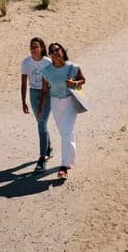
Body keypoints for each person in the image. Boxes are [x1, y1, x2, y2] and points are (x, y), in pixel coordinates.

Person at [38, 42, 86, 180]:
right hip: (55, 103)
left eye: (57, 50)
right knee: (65, 133)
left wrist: (76, 83)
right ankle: (70, 159)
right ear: (50, 55)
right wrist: (41, 106)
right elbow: (44, 90)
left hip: (70, 102)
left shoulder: (73, 67)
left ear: (62, 51)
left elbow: (83, 80)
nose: (55, 53)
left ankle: (63, 167)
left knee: (66, 132)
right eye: (52, 52)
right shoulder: (46, 71)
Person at [21, 37, 53, 172]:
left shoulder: (48, 62)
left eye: (35, 47)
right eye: (31, 47)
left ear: (41, 48)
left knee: (41, 123)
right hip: (33, 93)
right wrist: (23, 101)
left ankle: (42, 158)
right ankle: (49, 147)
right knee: (41, 123)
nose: (33, 49)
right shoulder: (26, 62)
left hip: (47, 94)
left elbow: (51, 82)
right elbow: (23, 82)